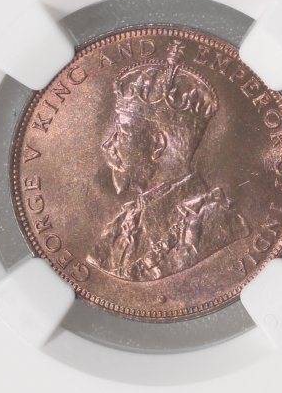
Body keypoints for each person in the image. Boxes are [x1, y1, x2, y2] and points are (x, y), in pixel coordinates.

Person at [88, 44, 249, 281]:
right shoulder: (122, 222)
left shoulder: (216, 223)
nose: (108, 144)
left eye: (122, 133)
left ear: (157, 145)